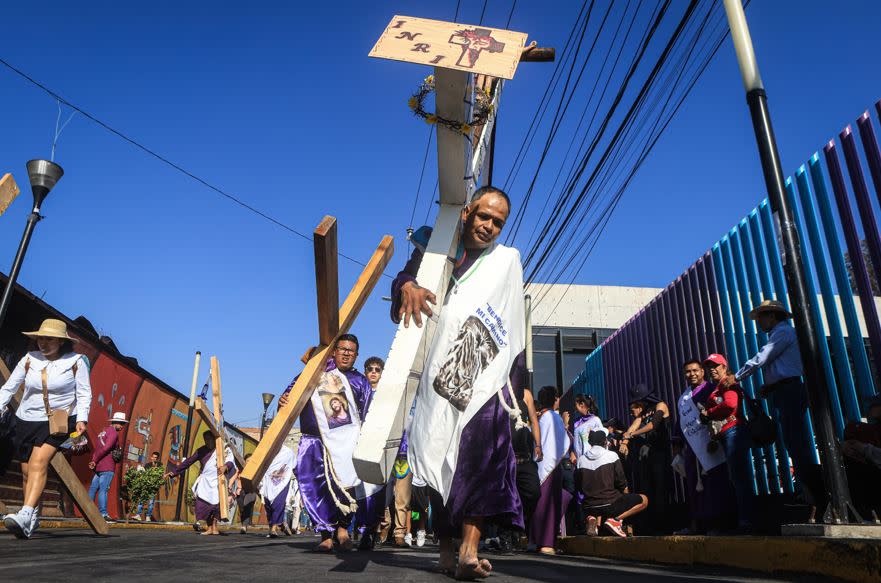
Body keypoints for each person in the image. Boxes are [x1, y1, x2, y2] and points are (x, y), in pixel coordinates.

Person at [392, 186, 527, 579]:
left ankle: (470, 550)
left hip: (488, 379)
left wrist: (513, 388)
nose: (489, 226)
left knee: (481, 461)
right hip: (438, 378)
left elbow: (513, 323)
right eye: (484, 216)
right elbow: (406, 276)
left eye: (498, 222)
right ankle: (447, 547)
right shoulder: (435, 247)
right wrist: (408, 287)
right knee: (438, 459)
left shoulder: (507, 261)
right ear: (467, 212)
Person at [279, 334, 384, 552]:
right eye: (342, 349)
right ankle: (326, 534)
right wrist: (284, 399)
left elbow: (369, 413)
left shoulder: (359, 381)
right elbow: (290, 395)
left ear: (356, 355)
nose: (346, 353)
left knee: (346, 486)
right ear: (334, 351)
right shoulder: (314, 374)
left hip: (347, 443)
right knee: (316, 488)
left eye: (351, 351)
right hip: (313, 440)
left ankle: (343, 529)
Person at [721, 300, 826, 515]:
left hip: (789, 391)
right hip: (783, 391)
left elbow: (763, 357)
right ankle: (809, 494)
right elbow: (780, 366)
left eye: (760, 317)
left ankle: (814, 496)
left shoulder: (783, 332)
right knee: (792, 441)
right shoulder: (781, 333)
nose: (758, 322)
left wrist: (737, 376)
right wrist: (769, 386)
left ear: (772, 316)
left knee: (796, 442)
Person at [0, 319, 92, 539]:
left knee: (38, 463)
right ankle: (31, 517)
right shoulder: (29, 359)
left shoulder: (76, 362)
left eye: (49, 339)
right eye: (40, 338)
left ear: (61, 341)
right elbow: (10, 387)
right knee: (26, 472)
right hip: (25, 418)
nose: (43, 343)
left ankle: (25, 512)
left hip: (57, 421)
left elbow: (84, 392)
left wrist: (82, 418)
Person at [676, 359, 736, 535]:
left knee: (715, 485)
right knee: (694, 488)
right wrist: (678, 448)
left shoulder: (711, 389)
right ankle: (698, 525)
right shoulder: (683, 399)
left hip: (712, 444)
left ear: (702, 372)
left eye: (695, 370)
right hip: (693, 449)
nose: (692, 374)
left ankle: (718, 524)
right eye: (688, 371)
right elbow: (680, 425)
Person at [703, 354, 755, 531]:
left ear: (724, 367)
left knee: (740, 478)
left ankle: (747, 520)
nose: (712, 369)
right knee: (737, 477)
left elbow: (730, 404)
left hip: (734, 431)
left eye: (715, 365)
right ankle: (744, 518)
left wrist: (709, 413)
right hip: (727, 433)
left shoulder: (726, 383)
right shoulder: (719, 386)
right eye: (709, 366)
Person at [577, 429, 648, 537]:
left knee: (597, 500)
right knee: (644, 499)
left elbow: (578, 485)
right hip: (610, 505)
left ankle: (591, 518)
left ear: (590, 443)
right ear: (605, 442)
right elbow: (621, 482)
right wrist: (626, 496)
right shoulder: (611, 455)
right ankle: (615, 520)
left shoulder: (581, 460)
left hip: (589, 506)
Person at [622, 383, 671, 534]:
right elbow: (633, 427)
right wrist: (625, 441)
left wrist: (631, 435)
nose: (637, 405)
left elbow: (653, 425)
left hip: (660, 454)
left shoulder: (660, 406)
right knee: (647, 490)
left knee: (661, 489)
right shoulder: (644, 413)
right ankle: (650, 526)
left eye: (638, 401)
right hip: (646, 458)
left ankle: (664, 526)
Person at [164, 430, 235, 535]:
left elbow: (230, 460)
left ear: (214, 439)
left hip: (218, 480)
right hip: (205, 482)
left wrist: (225, 466)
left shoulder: (223, 448)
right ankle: (209, 527)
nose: (207, 442)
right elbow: (188, 462)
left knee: (216, 506)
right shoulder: (201, 451)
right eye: (205, 439)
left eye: (209, 439)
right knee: (203, 504)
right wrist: (174, 472)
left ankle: (215, 527)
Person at [529, 386, 570, 555]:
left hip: (539, 467)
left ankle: (534, 541)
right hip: (552, 467)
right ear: (555, 399)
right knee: (551, 504)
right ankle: (546, 543)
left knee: (538, 505)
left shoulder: (540, 419)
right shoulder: (554, 417)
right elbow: (563, 443)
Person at [88, 411, 127, 520]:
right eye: (121, 424)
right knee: (103, 490)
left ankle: (87, 511)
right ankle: (103, 513)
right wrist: (95, 460)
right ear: (116, 422)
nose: (122, 426)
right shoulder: (113, 433)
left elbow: (98, 448)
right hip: (107, 465)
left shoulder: (103, 431)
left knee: (93, 488)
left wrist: (94, 460)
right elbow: (106, 448)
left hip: (98, 465)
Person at [259, 445, 295, 538]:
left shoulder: (288, 452)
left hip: (282, 483)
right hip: (268, 482)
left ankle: (273, 528)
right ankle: (281, 524)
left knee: (278, 504)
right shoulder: (265, 450)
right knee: (268, 506)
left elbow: (294, 465)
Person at [131, 451, 163, 521]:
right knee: (142, 500)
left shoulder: (160, 465)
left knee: (151, 502)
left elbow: (160, 474)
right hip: (146, 485)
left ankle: (148, 516)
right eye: (153, 457)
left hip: (154, 486)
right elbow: (144, 474)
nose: (154, 459)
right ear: (151, 457)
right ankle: (138, 515)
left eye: (156, 458)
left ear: (158, 459)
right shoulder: (147, 465)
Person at [234, 453, 257, 534]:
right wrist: (230, 487)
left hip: (251, 490)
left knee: (247, 505)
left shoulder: (256, 469)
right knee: (242, 508)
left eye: (251, 461)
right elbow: (234, 477)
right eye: (247, 460)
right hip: (240, 490)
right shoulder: (240, 469)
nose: (249, 462)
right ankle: (244, 524)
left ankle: (244, 526)